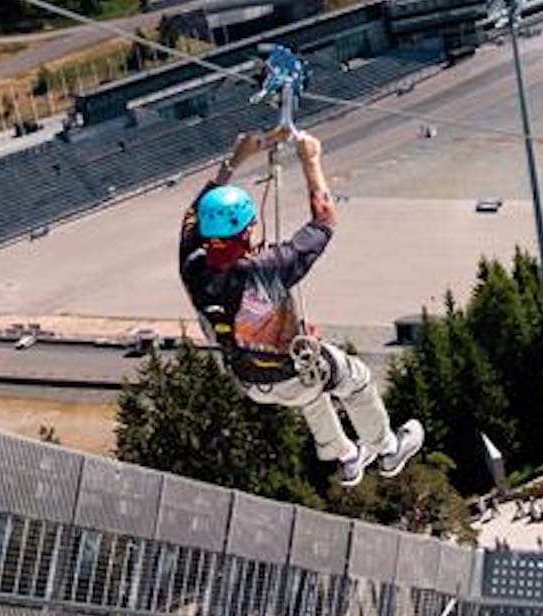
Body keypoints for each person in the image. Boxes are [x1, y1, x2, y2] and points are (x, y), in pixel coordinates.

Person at [179, 126, 421, 486]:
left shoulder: (193, 265)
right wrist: (311, 161)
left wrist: (235, 160)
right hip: (290, 373)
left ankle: (347, 457)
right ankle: (386, 449)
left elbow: (194, 216)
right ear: (247, 232)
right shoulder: (268, 267)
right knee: (355, 381)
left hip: (248, 378)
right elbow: (324, 219)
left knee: (305, 393)